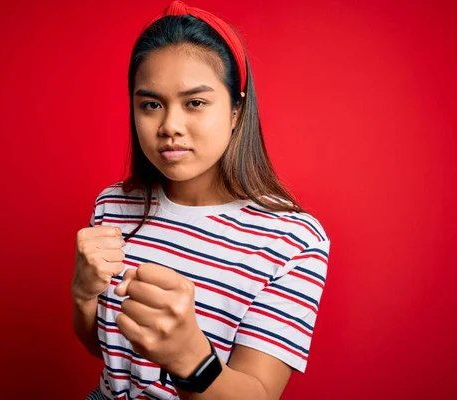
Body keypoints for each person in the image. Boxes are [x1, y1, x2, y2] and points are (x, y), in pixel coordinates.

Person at [72, 1, 331, 399]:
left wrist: (190, 358)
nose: (170, 126)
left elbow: (259, 394)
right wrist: (83, 294)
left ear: (236, 110)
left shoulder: (293, 241)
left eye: (195, 102)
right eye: (151, 105)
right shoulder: (112, 206)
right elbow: (101, 347)